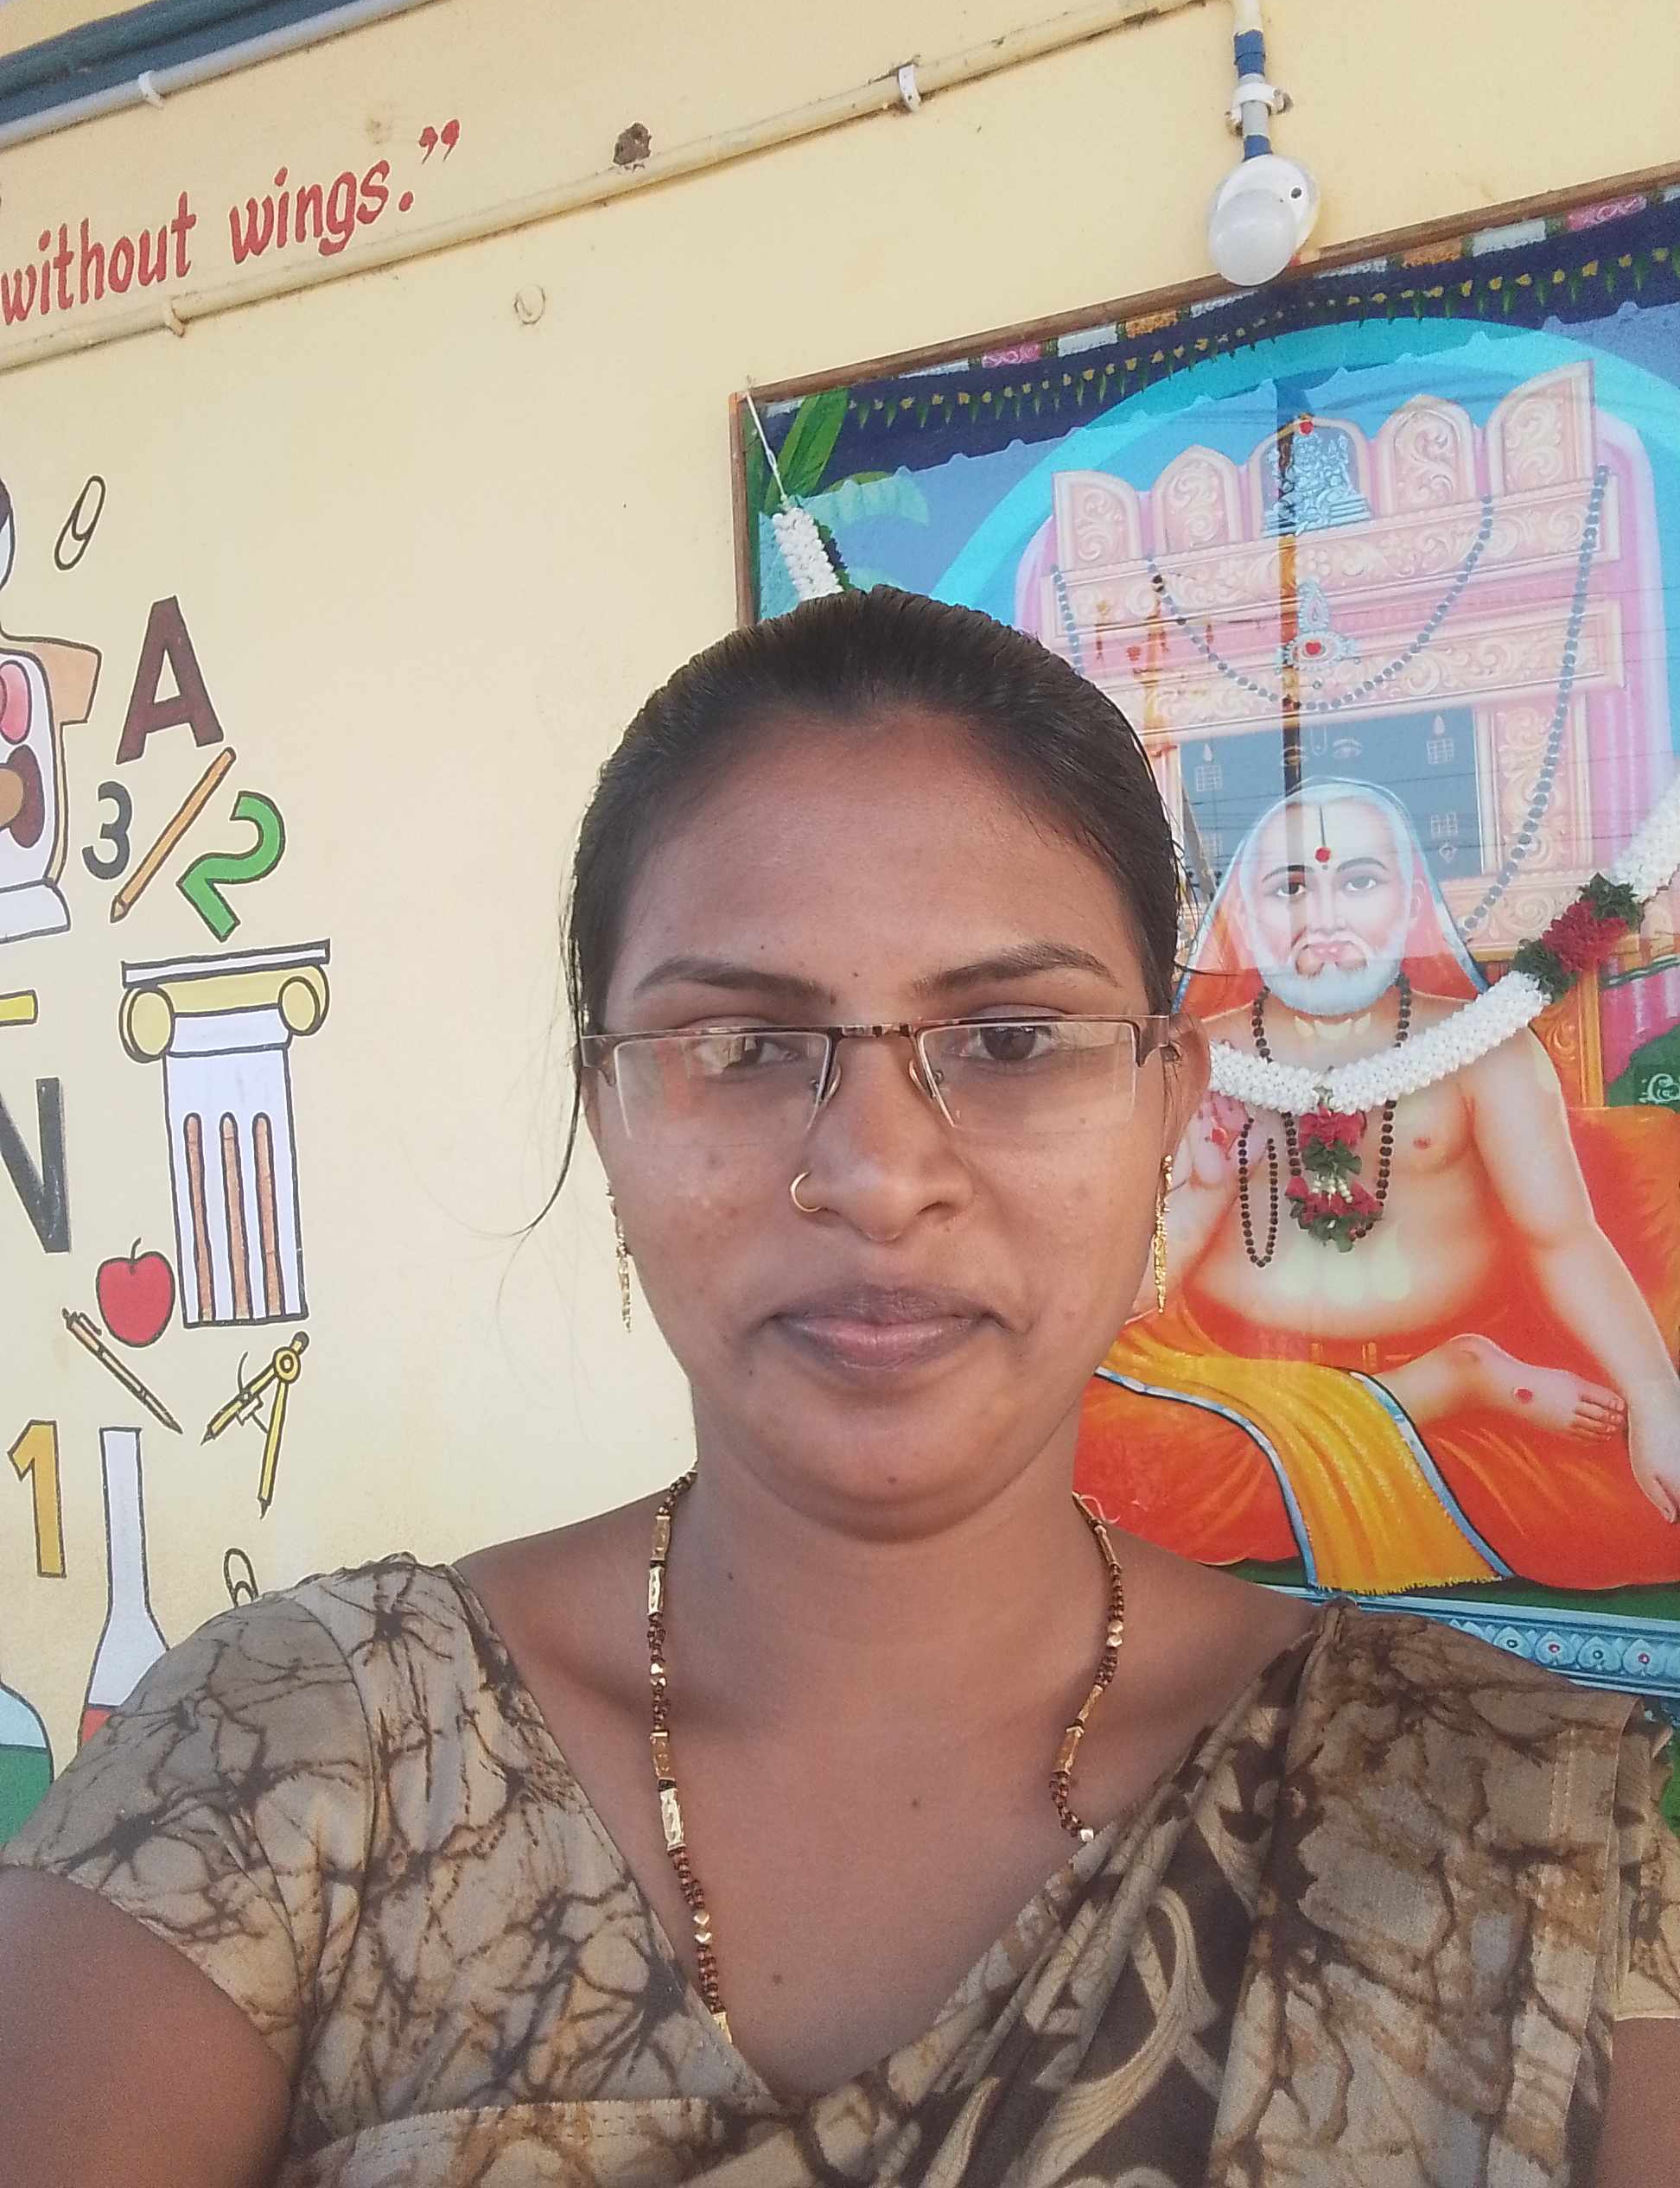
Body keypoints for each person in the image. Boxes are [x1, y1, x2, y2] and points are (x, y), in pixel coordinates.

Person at [1, 589, 1677, 2186]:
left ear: (1167, 1107)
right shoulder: (313, 1761)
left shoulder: (1494, 1820)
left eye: (1009, 1038)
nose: (878, 1176)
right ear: (607, 1116)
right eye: (741, 1045)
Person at [1080, 779, 1680, 1595]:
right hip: (1227, 1381)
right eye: (1290, 887)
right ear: (1245, 919)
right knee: (1111, 1465)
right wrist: (1209, 1190)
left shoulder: (1484, 1051)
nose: (1324, 918)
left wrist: (1654, 1395)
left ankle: (1431, 1387)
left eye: (1359, 881)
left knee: (1628, 1514)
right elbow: (1134, 1288)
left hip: (1415, 1366)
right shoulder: (1197, 1062)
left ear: (1409, 906)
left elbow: (1563, 1237)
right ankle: (1439, 1385)